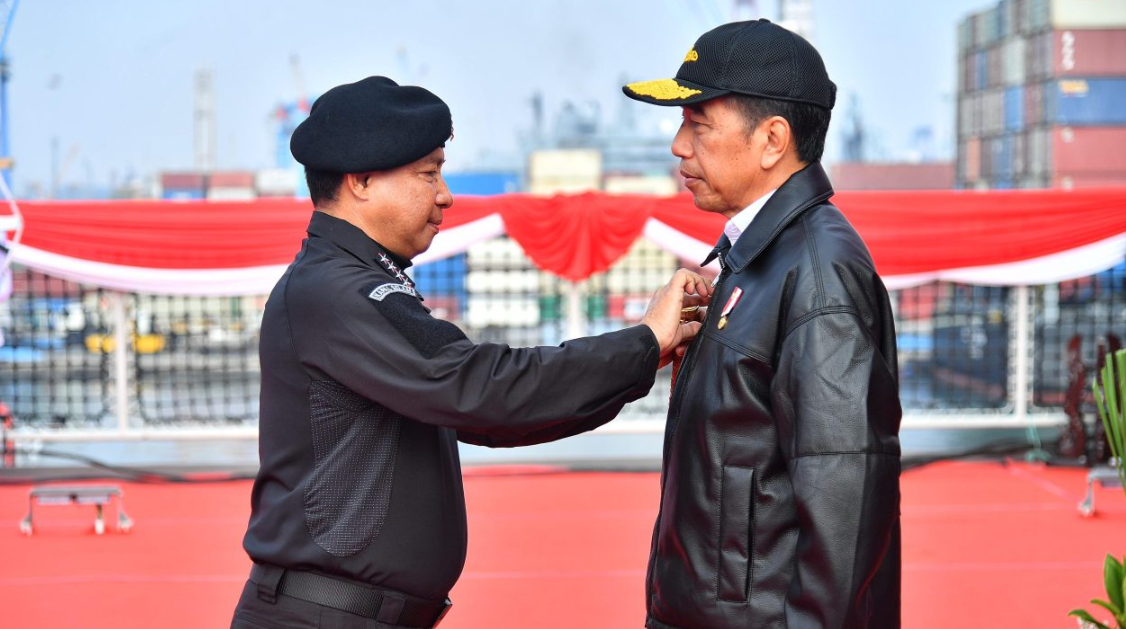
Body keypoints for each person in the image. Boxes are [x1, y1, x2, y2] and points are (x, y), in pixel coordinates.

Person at [230, 76, 712, 629]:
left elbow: (487, 403)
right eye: (427, 173)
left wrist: (638, 356)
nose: (445, 194)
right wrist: (645, 341)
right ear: (361, 182)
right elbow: (481, 389)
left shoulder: (351, 283)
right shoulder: (340, 291)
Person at [622, 20, 902, 629]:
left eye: (698, 125)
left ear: (772, 139)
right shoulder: (755, 255)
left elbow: (844, 495)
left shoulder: (818, 272)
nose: (677, 145)